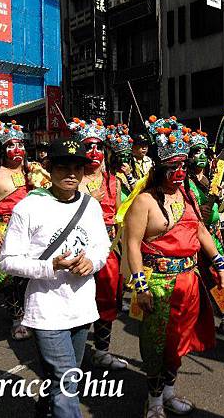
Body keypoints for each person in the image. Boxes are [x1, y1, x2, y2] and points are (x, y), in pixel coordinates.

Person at [124, 116, 224, 418]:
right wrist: (140, 287)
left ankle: (169, 392)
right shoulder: (143, 201)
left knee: (180, 342)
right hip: (156, 283)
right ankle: (154, 400)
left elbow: (201, 230)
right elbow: (131, 245)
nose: (180, 172)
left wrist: (220, 264)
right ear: (159, 167)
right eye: (173, 167)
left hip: (189, 281)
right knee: (157, 345)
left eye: (183, 166)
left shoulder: (186, 194)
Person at [0, 138, 110, 418]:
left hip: (81, 308)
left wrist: (91, 262)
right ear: (49, 169)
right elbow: (7, 260)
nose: (71, 174)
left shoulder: (91, 206)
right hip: (46, 310)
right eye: (63, 167)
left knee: (65, 375)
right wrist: (51, 267)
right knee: (66, 380)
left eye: (78, 167)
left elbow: (102, 246)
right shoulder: (29, 207)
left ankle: (44, 408)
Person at [67, 117, 126, 370]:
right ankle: (69, 354)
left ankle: (102, 351)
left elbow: (121, 216)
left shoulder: (115, 180)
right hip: (79, 248)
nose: (94, 152)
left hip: (110, 250)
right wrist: (89, 199)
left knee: (107, 300)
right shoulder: (71, 179)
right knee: (77, 300)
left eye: (99, 147)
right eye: (89, 146)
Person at [0, 120, 33, 340]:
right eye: (11, 145)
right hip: (5, 228)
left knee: (31, 275)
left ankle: (31, 315)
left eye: (20, 145)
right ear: (4, 149)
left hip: (31, 229)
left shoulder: (34, 172)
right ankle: (16, 319)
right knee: (8, 278)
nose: (17, 150)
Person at [187, 130, 224, 337]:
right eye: (196, 152)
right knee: (204, 275)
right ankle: (217, 315)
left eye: (203, 151)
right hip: (195, 234)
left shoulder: (210, 177)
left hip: (214, 232)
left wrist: (217, 197)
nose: (201, 156)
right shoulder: (185, 181)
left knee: (220, 270)